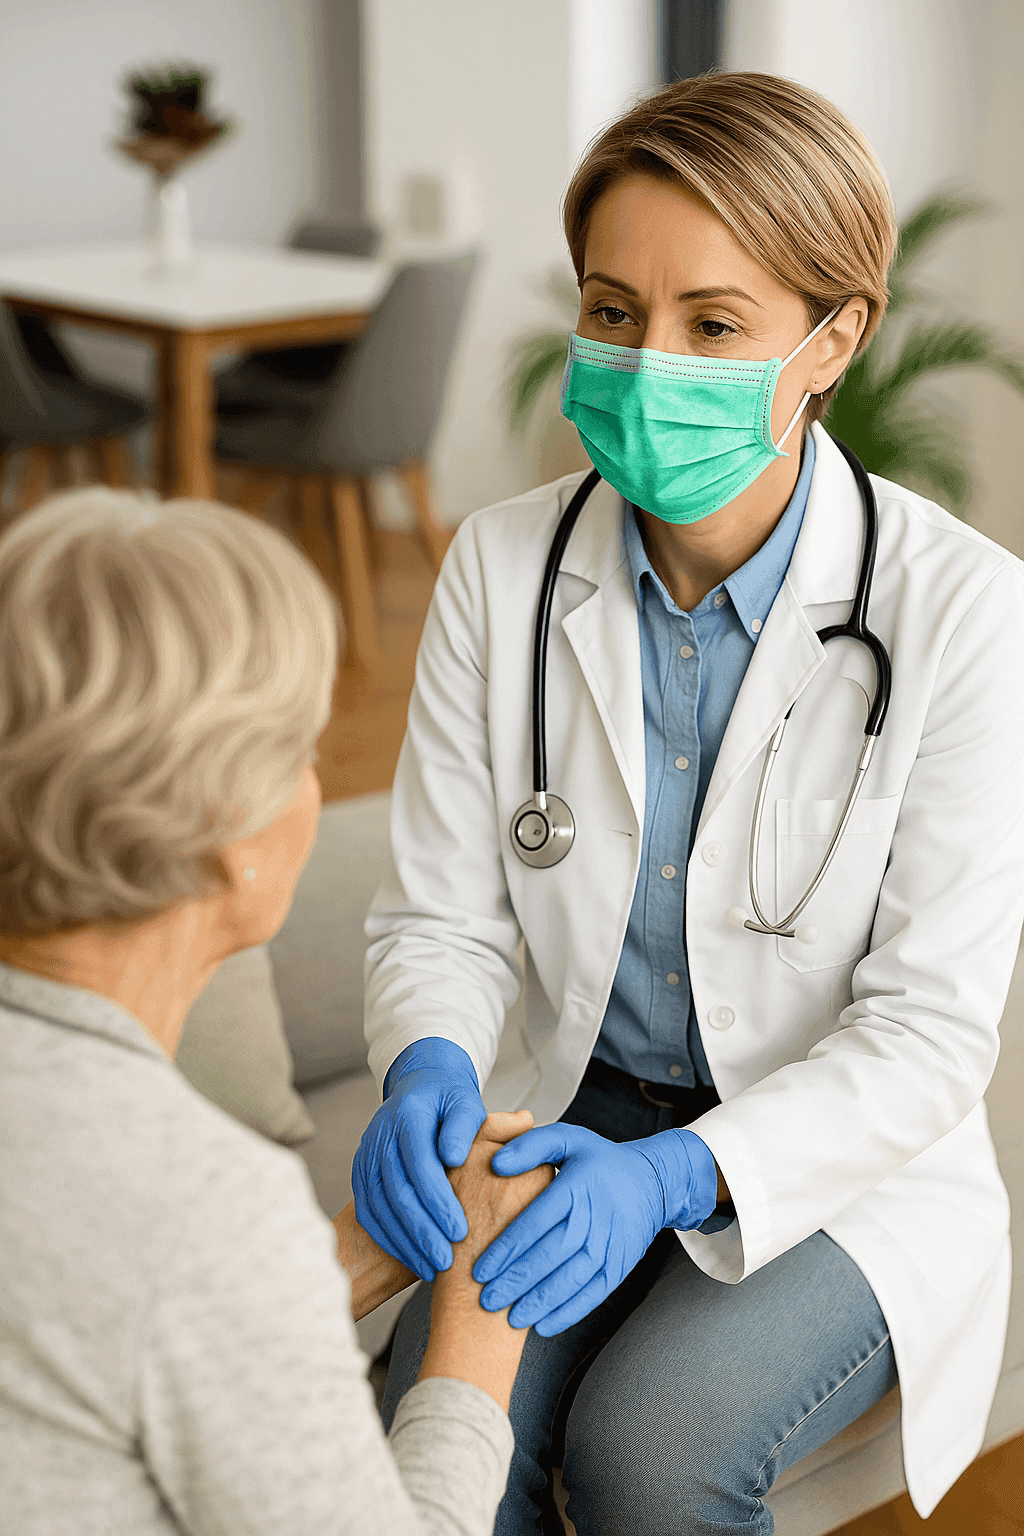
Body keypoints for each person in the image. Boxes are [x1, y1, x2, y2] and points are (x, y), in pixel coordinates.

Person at [354, 71, 1024, 1535]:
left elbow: (925, 1036)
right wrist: (424, 1063)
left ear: (832, 340)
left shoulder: (968, 615)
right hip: (575, 1100)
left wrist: (680, 1173)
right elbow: (442, 913)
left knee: (652, 1453)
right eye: (612, 310)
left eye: (713, 324)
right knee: (437, 1430)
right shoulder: (500, 568)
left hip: (845, 1161)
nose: (647, 361)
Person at [0, 487, 553, 1536]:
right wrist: (481, 1321)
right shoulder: (200, 1210)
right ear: (230, 838)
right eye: (302, 752)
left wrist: (325, 1272)